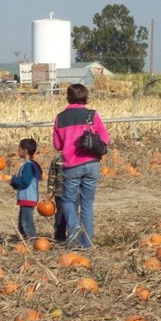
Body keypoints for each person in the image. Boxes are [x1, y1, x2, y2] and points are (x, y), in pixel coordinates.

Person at [53, 84, 110, 249]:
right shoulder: (92, 115)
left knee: (68, 200)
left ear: (68, 97)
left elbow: (57, 145)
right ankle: (86, 244)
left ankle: (74, 225)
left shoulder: (60, 118)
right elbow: (105, 139)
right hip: (92, 164)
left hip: (72, 165)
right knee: (87, 203)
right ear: (85, 97)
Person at [10, 138, 42, 240]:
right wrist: (14, 183)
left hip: (28, 197)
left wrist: (13, 179)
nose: (18, 150)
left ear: (25, 151)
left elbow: (24, 182)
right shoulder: (32, 164)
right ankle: (23, 239)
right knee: (22, 220)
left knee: (26, 220)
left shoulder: (28, 166)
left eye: (19, 148)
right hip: (27, 197)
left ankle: (31, 238)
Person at [45, 153, 67, 242]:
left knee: (72, 215)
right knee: (60, 215)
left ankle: (73, 236)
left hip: (74, 192)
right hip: (60, 192)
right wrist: (50, 190)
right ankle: (59, 237)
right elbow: (52, 175)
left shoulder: (75, 157)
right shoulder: (57, 158)